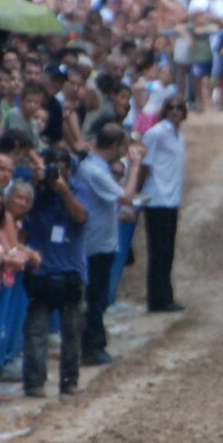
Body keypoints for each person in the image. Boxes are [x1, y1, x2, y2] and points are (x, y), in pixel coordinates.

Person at [20, 147, 90, 396]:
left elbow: (81, 217)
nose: (55, 174)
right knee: (36, 332)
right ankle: (34, 383)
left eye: (60, 168)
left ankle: (69, 381)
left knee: (71, 334)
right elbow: (20, 212)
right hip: (41, 274)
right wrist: (34, 183)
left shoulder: (78, 189)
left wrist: (63, 191)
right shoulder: (37, 192)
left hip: (71, 272)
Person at [75, 124, 143, 368]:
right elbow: (125, 197)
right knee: (95, 297)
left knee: (97, 296)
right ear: (115, 146)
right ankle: (92, 346)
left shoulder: (94, 168)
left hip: (101, 237)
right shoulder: (96, 171)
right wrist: (134, 167)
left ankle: (95, 342)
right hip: (97, 242)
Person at [142, 95, 187, 312]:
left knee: (166, 251)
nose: (175, 111)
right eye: (171, 107)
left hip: (171, 199)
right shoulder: (156, 133)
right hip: (157, 199)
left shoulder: (178, 134)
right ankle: (157, 299)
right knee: (158, 251)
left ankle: (165, 296)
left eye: (179, 107)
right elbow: (145, 164)